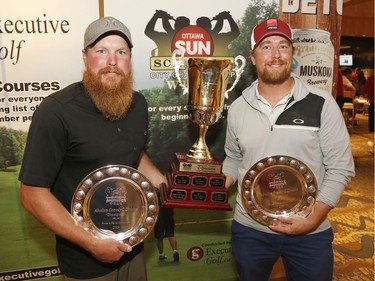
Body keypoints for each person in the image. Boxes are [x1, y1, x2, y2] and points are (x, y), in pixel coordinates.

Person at [18, 16, 167, 281]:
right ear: (85, 57)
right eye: (101, 51)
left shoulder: (139, 104)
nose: (112, 61)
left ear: (129, 59)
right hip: (86, 261)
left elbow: (134, 153)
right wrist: (91, 243)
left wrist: (163, 183)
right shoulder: (56, 111)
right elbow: (32, 195)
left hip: (134, 248)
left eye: (121, 52)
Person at [222, 18, 355, 281]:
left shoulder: (322, 104)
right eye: (266, 46)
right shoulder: (238, 107)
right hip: (251, 230)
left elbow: (341, 168)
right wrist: (212, 186)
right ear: (252, 56)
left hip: (310, 231)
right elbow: (234, 158)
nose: (275, 55)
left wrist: (313, 218)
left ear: (292, 54)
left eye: (283, 46)